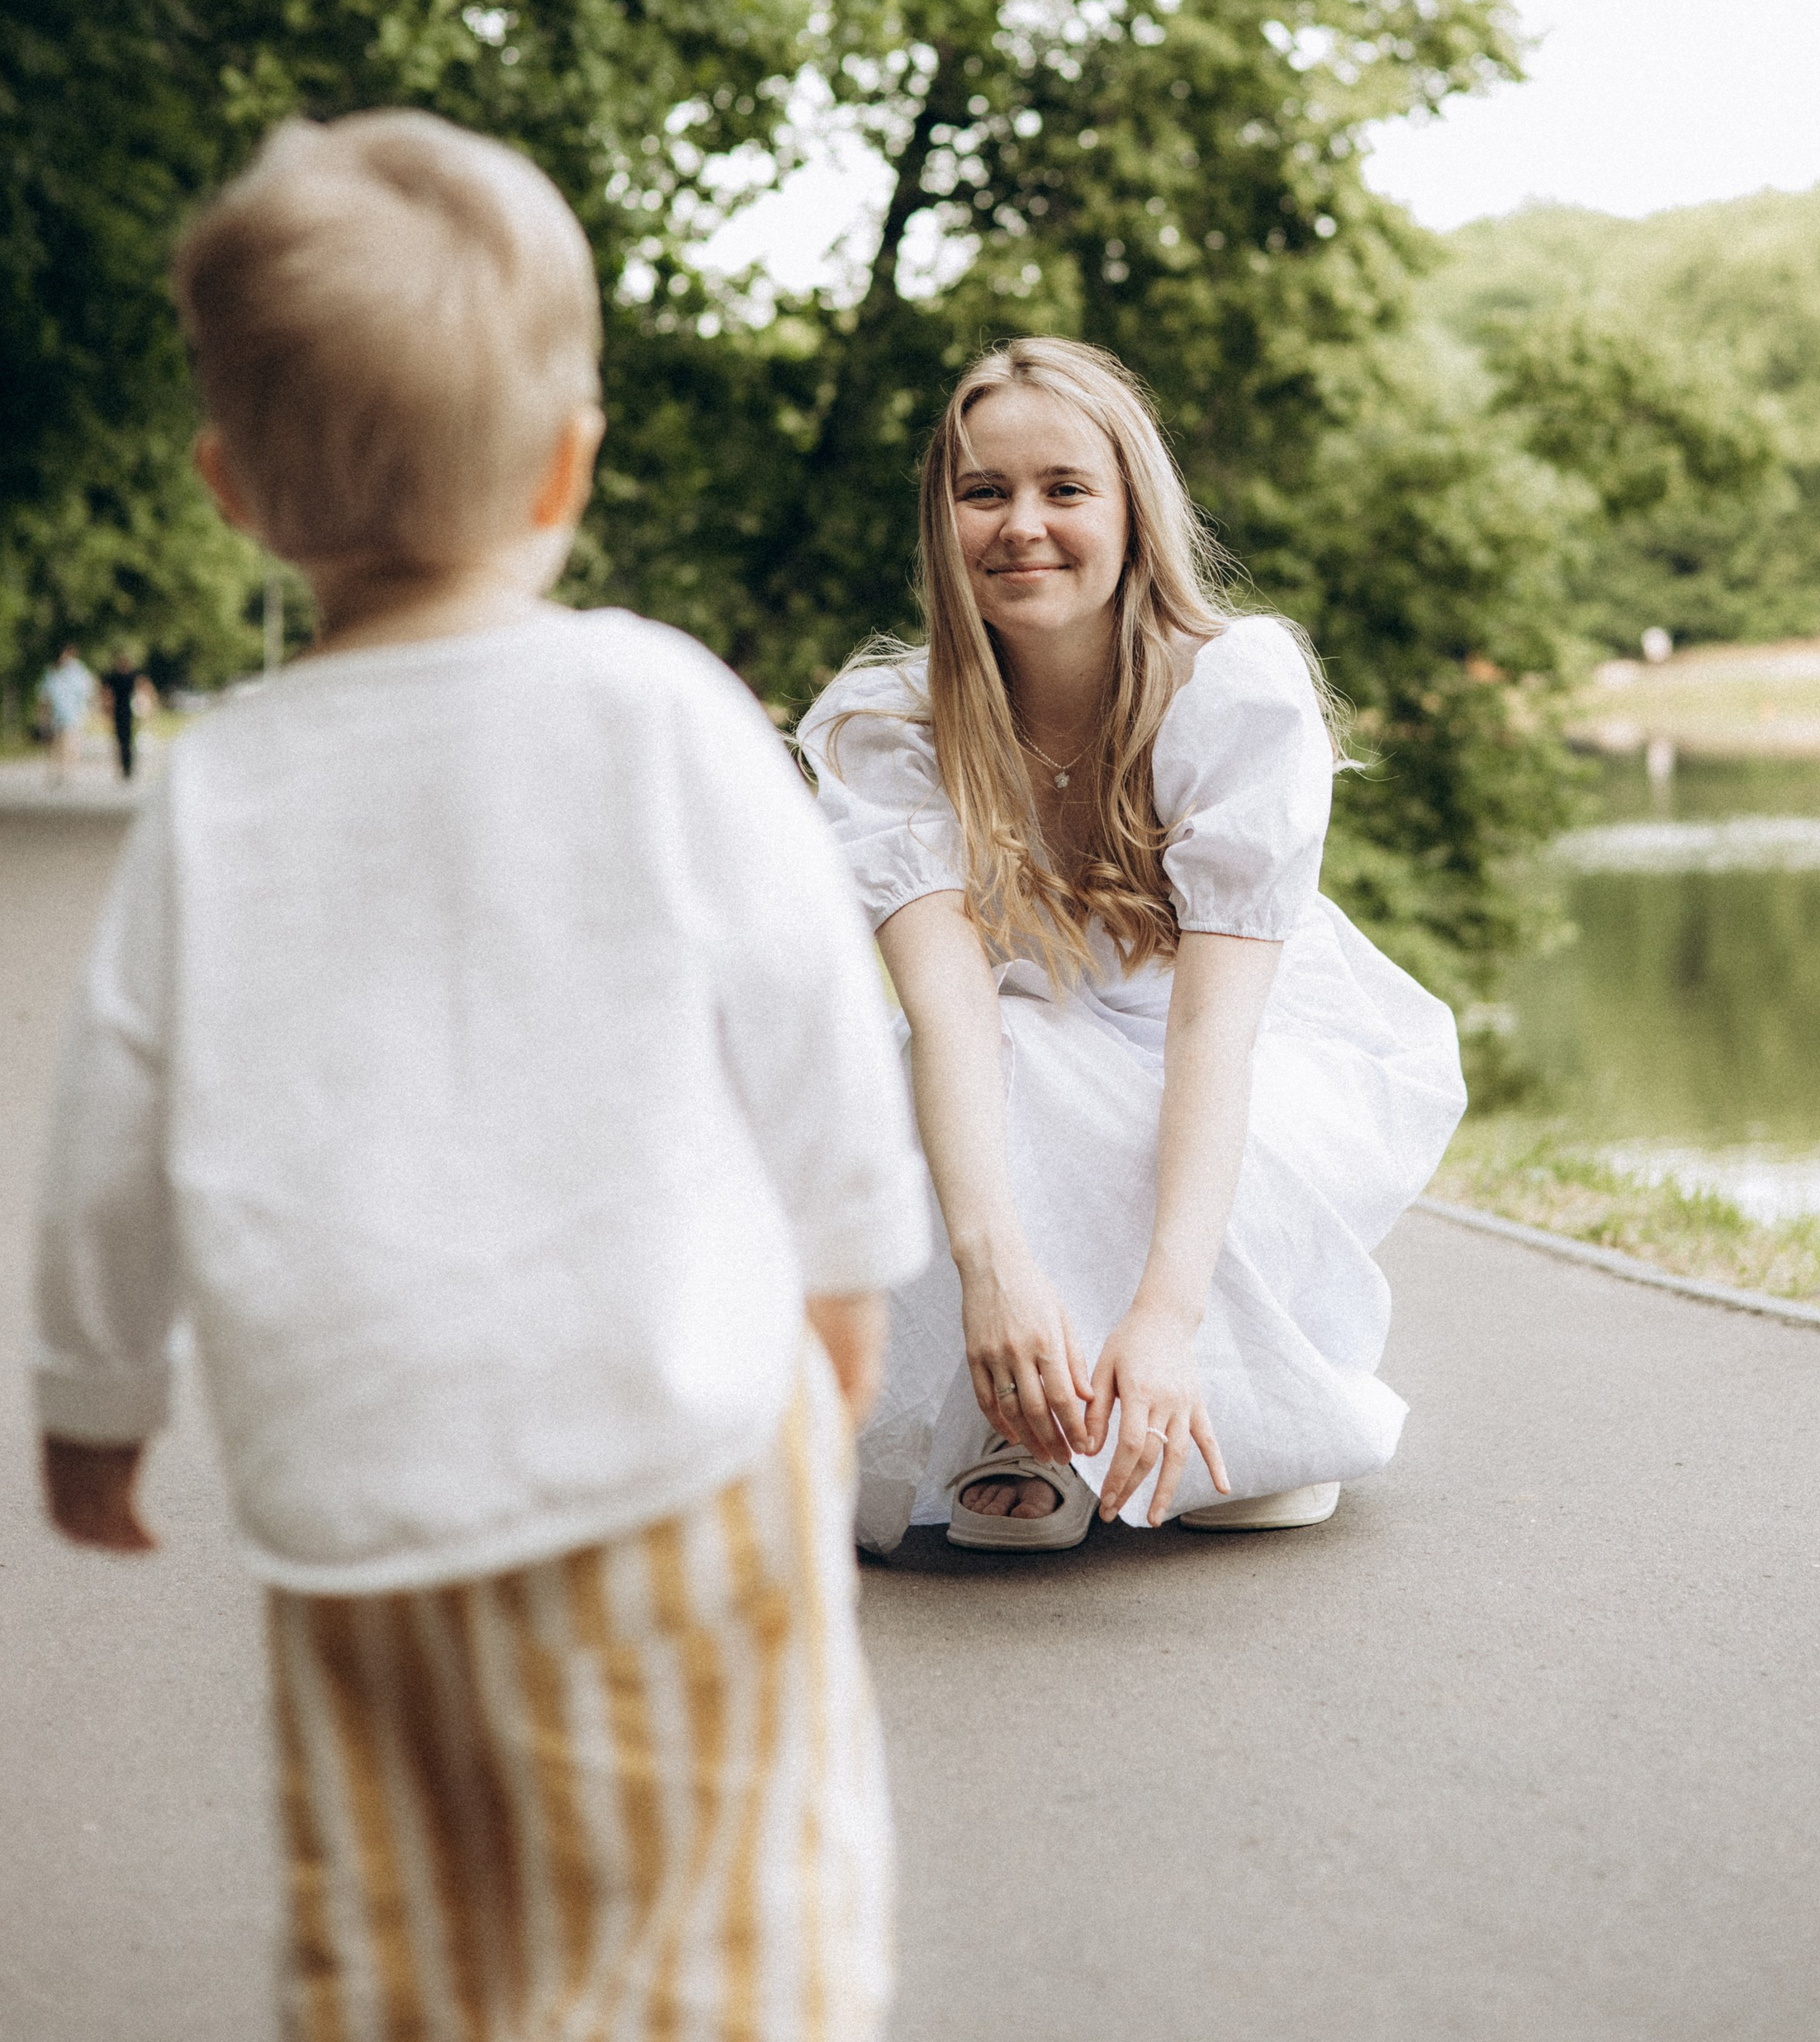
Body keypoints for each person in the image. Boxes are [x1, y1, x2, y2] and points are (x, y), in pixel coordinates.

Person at [34, 111, 927, 2042]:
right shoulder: (656, 706)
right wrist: (845, 1297)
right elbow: (817, 1036)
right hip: (672, 1443)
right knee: (724, 1901)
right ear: (568, 463)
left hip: (358, 1498)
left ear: (230, 491)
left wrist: (91, 1404)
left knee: (411, 1933)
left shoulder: (226, 786)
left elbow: (113, 1124)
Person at [799, 336, 1467, 1557]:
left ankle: (1232, 1409)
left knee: (1118, 1096)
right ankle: (1027, 1422)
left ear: (1131, 509)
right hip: (1016, 1039)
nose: (1022, 526)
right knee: (993, 1055)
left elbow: (1215, 1030)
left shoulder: (1230, 692)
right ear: (943, 519)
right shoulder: (891, 727)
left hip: (1242, 1045)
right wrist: (992, 1271)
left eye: (1065, 489)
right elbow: (947, 1013)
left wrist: (1163, 1310)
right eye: (982, 491)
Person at [36, 643, 97, 785]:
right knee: (54, 744)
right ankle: (56, 770)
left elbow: (87, 691)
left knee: (69, 743)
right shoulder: (51, 673)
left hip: (73, 715)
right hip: (55, 715)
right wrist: (43, 715)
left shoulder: (77, 671)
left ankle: (66, 772)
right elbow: (45, 695)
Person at [101, 651, 148, 781]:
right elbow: (107, 694)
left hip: (128, 711)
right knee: (121, 741)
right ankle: (124, 767)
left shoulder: (132, 676)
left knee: (127, 741)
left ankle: (128, 767)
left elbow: (143, 687)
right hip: (118, 711)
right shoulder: (114, 677)